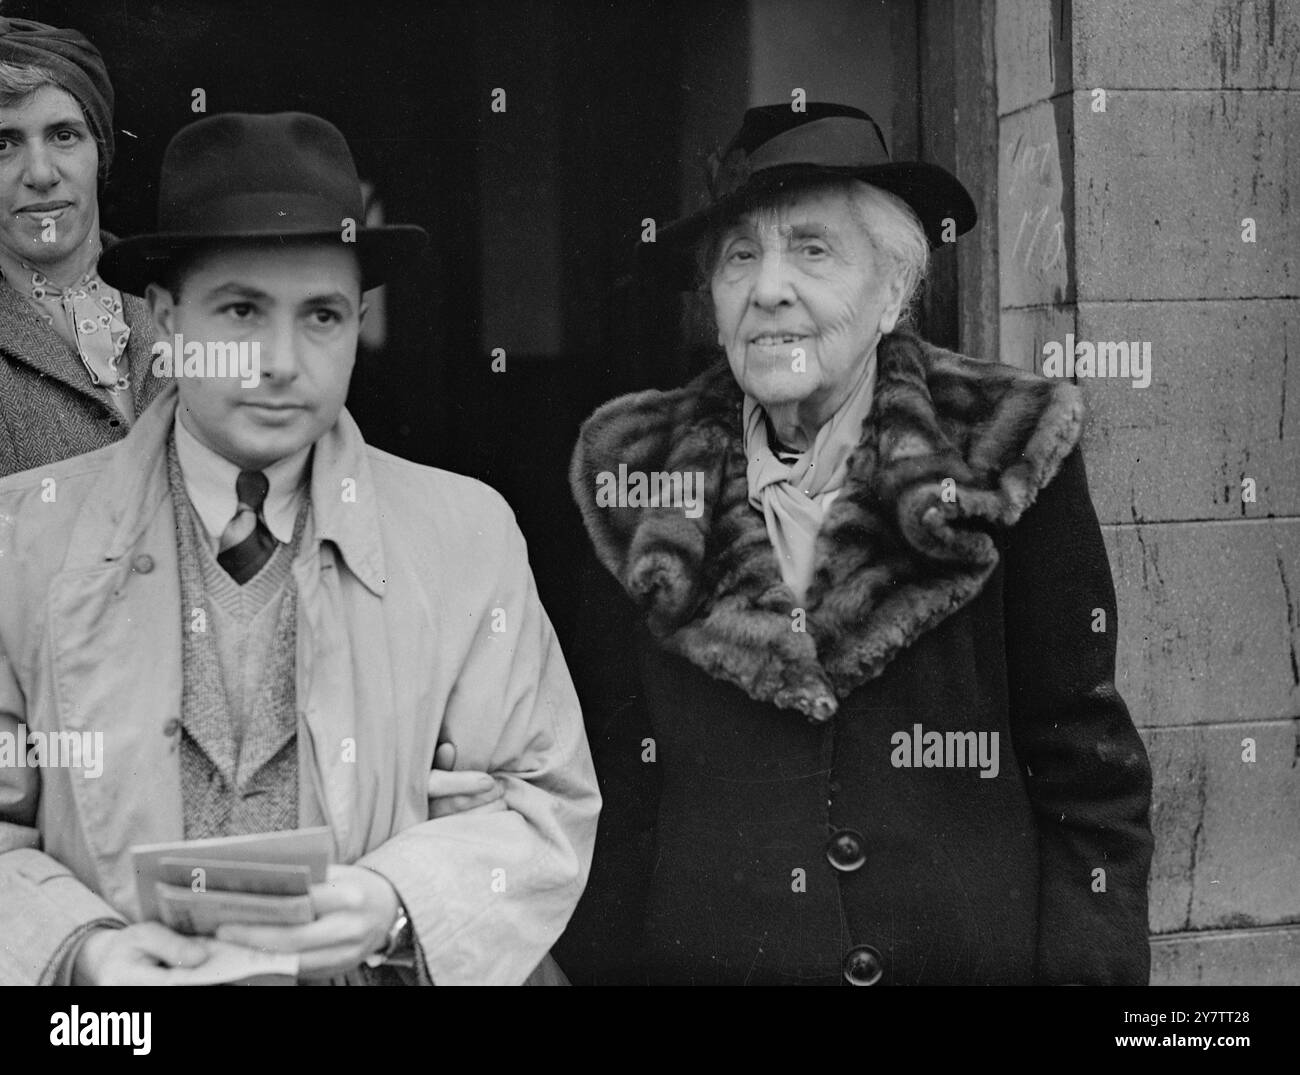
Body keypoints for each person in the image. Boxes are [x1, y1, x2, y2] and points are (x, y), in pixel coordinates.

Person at [554, 103, 1154, 986]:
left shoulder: (1005, 449)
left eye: (813, 250)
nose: (767, 289)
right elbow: (619, 784)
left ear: (890, 293)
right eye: (738, 257)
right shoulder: (637, 480)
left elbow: (1087, 780)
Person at [0, 111, 599, 985]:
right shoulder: (23, 538)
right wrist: (82, 951)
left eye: (321, 315)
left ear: (359, 321)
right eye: (241, 309)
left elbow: (541, 803)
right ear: (166, 319)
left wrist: (398, 901)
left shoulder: (465, 533)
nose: (280, 360)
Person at [0, 17, 164, 475]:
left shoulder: (187, 302)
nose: (40, 173)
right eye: (3, 143)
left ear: (100, 151)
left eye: (64, 135)